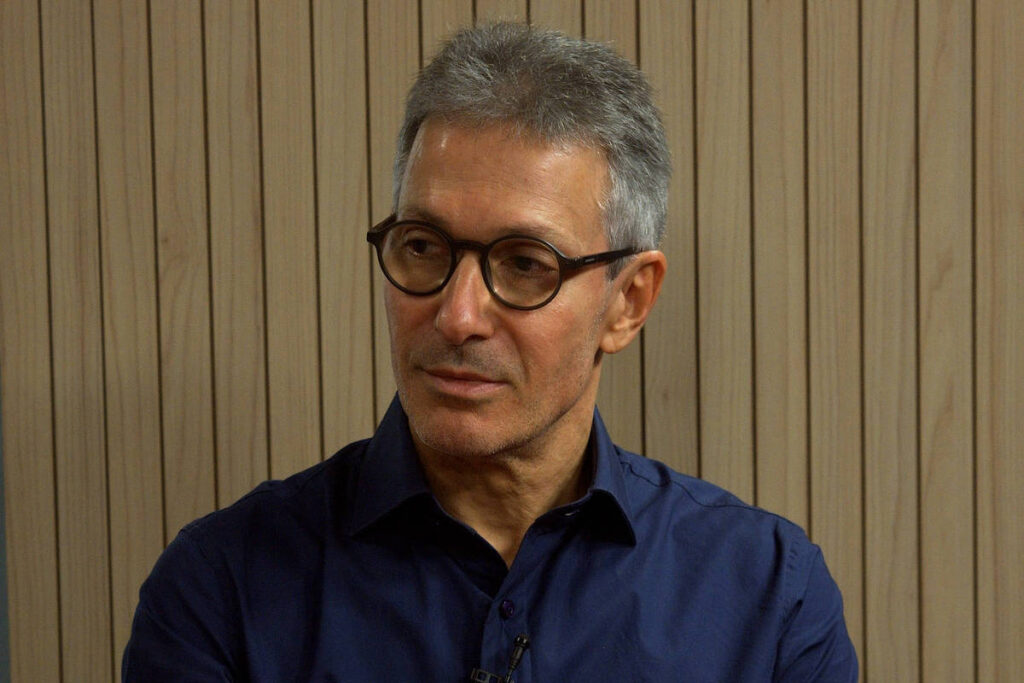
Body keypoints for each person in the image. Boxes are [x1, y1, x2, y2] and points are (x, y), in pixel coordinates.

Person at [123, 23, 857, 682]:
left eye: (525, 263)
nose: (457, 315)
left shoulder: (769, 599)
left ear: (628, 302)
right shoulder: (219, 590)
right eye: (422, 247)